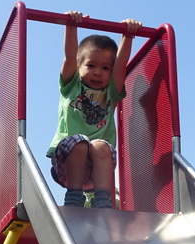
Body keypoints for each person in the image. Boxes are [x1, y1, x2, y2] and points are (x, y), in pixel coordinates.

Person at [47, 11, 142, 208]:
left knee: (100, 145)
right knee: (80, 142)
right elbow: (70, 56)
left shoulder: (111, 92)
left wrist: (128, 35)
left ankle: (102, 200)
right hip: (66, 163)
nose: (98, 72)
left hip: (98, 168)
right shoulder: (72, 85)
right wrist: (71, 26)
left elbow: (121, 65)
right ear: (80, 67)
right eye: (91, 65)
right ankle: (74, 196)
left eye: (106, 68)